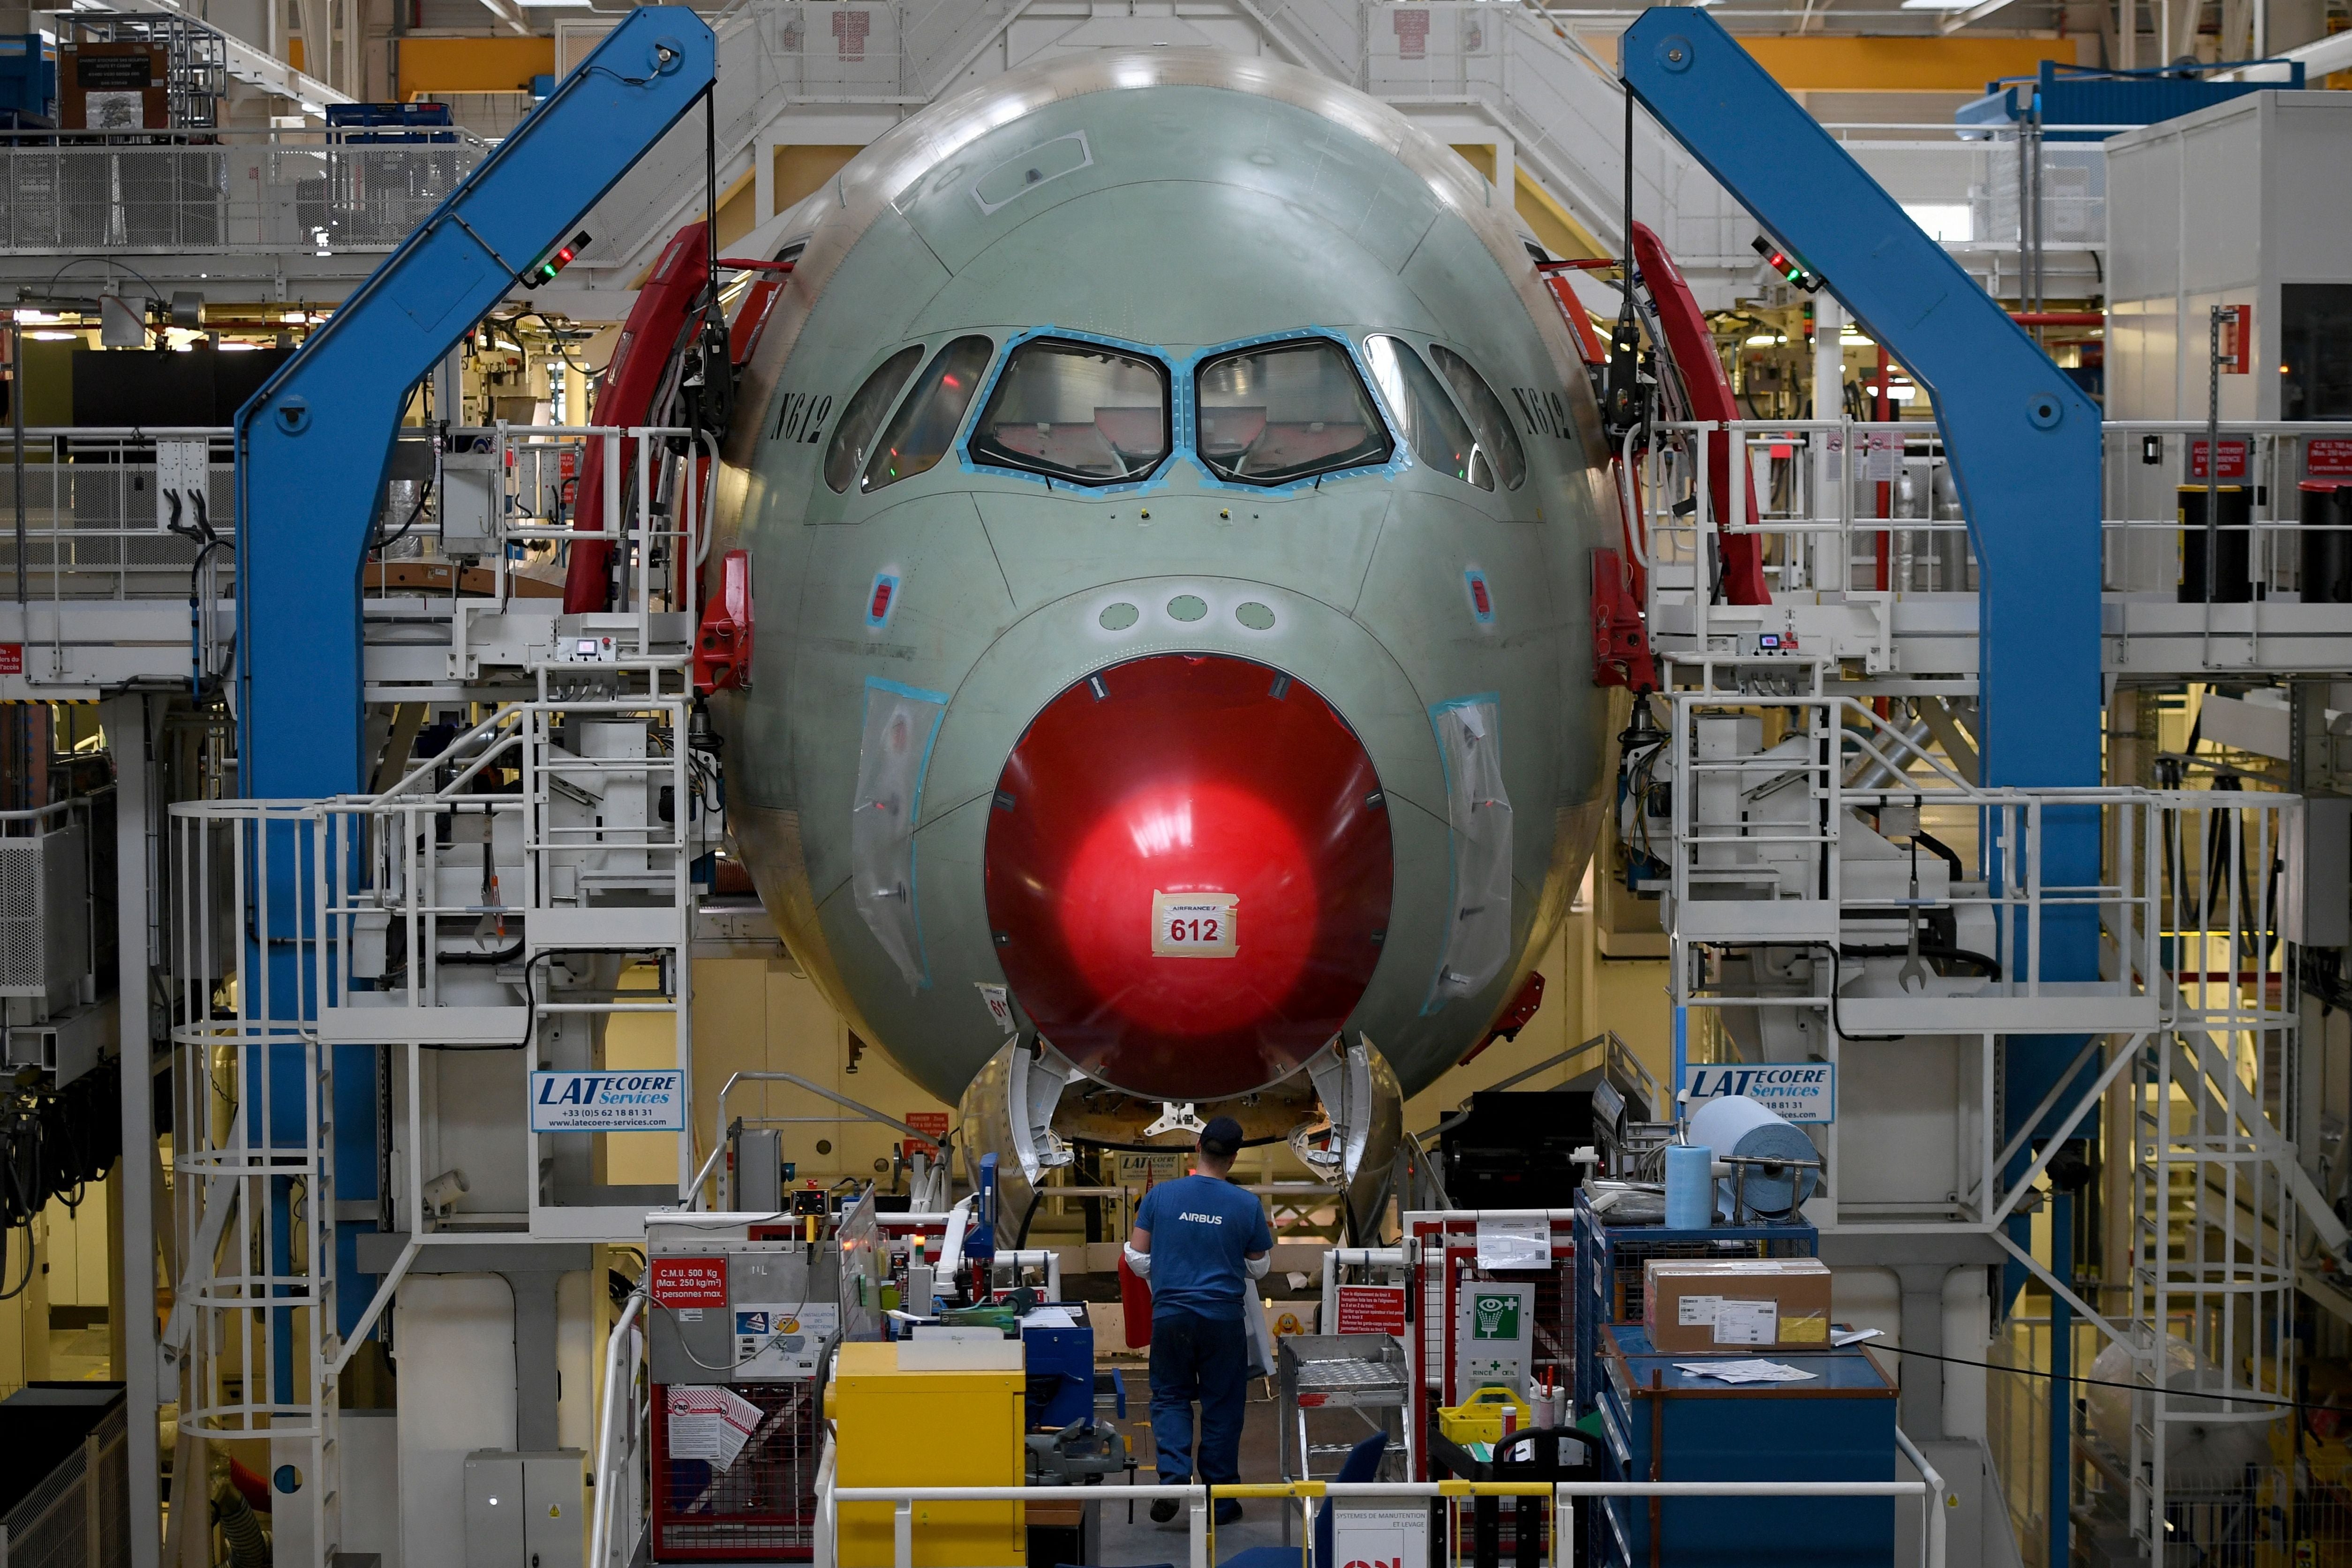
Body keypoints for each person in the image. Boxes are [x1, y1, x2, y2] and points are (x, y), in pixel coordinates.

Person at [1124, 1116, 1273, 1525]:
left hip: (1171, 1316)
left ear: (1198, 1149)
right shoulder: (1246, 1205)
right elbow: (1259, 1268)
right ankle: (1221, 1502)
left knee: (1170, 1397)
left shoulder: (1161, 1197)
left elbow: (1136, 1257)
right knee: (1222, 1406)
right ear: (1235, 1157)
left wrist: (1172, 1263)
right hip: (1222, 1320)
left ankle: (1173, 1480)